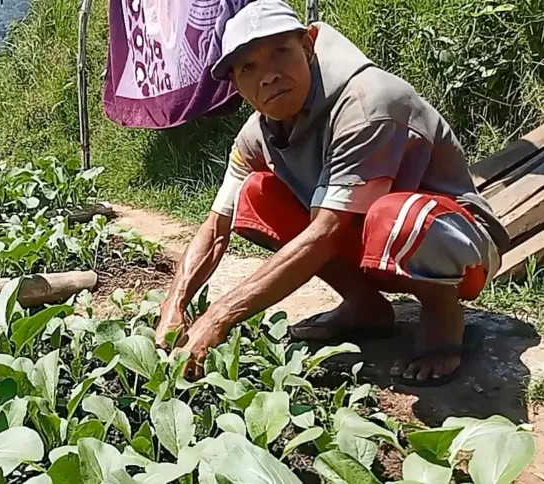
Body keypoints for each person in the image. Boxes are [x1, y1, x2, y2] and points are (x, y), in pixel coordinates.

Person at [155, 0, 509, 387]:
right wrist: (175, 305)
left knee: (392, 215)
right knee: (255, 195)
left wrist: (218, 317)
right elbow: (216, 225)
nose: (268, 76)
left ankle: (443, 319)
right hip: (370, 246)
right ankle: (366, 307)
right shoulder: (258, 135)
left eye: (280, 53)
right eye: (248, 68)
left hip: (458, 248)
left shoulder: (367, 102)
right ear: (236, 85)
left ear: (307, 47)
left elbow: (326, 233)